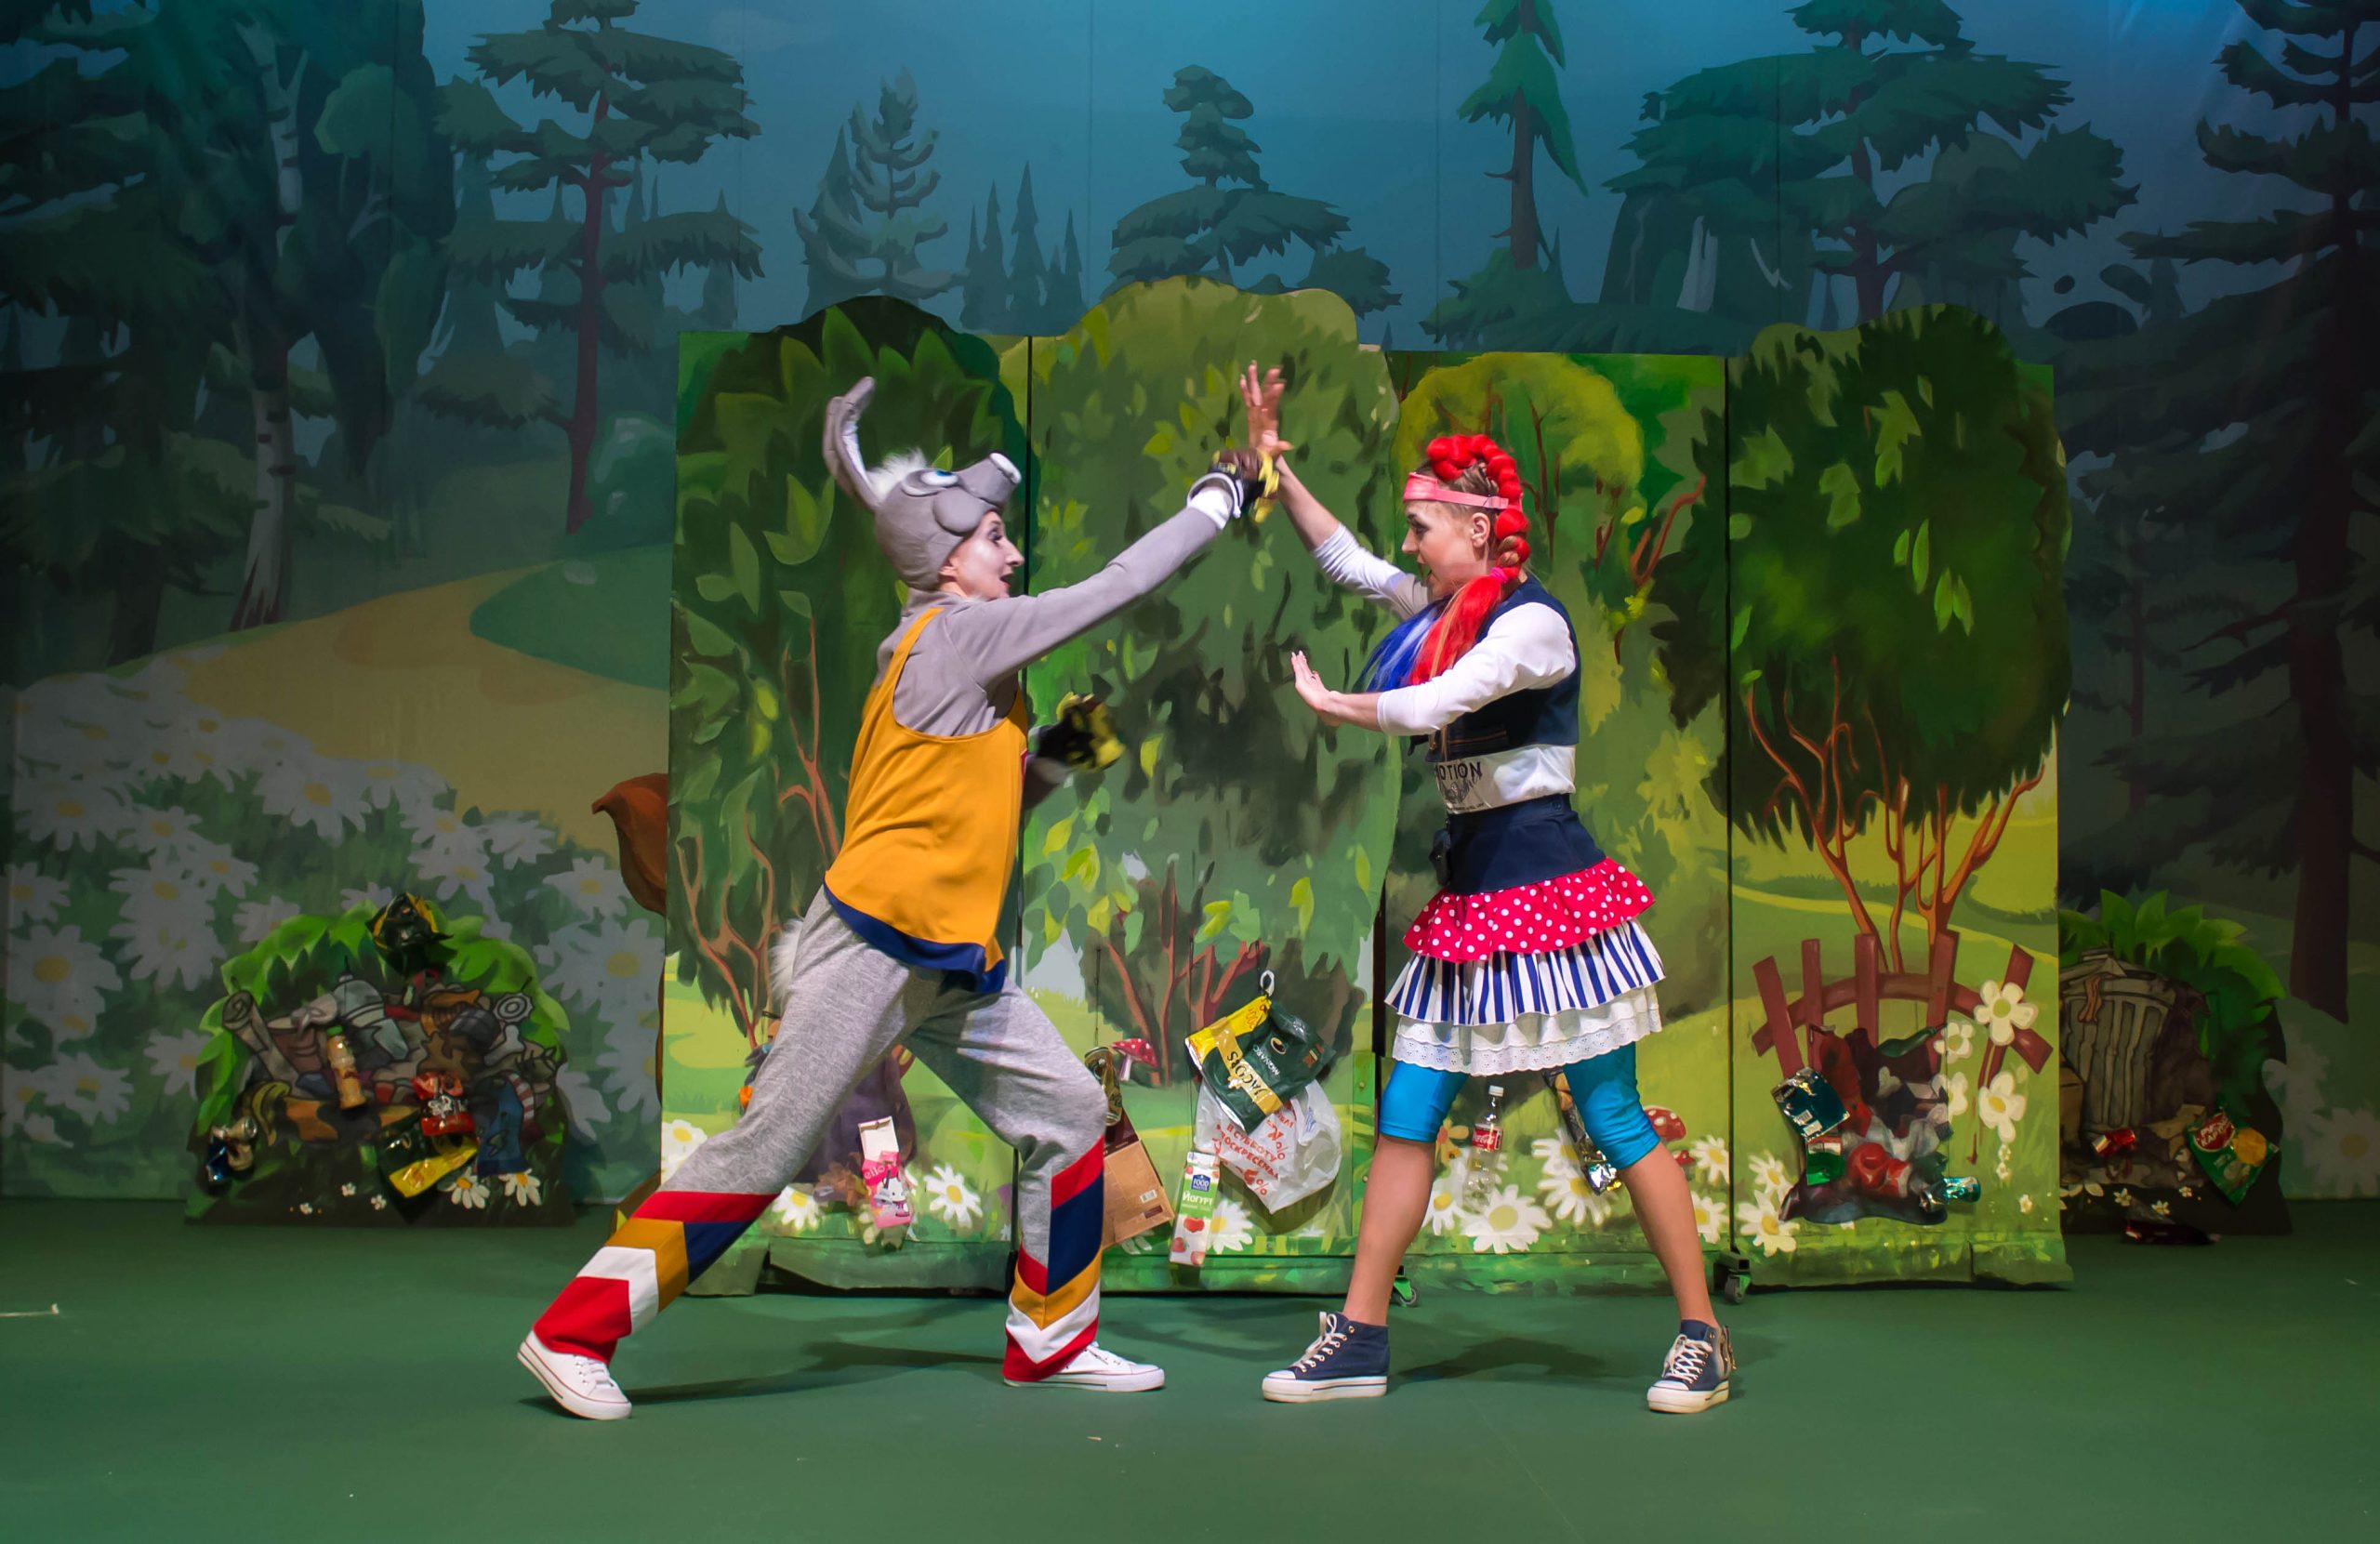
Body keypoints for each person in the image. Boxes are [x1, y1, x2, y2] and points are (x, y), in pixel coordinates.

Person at [517, 378, 1270, 1419]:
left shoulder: (962, 663)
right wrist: (1221, 493)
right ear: (946, 562)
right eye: (996, 538)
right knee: (767, 1147)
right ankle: (571, 1332)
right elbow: (1117, 585)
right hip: (875, 943)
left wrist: (1061, 752)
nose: (1014, 555)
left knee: (1064, 1113)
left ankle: (1052, 1340)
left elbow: (985, 804)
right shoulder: (956, 636)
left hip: (948, 958)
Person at [1244, 363, 1734, 1415]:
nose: (1409, 544)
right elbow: (1347, 560)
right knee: (1408, 1109)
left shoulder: (1530, 625)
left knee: (1612, 1113)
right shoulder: (1445, 607)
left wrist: (1338, 704)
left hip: (1551, 895)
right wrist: (1276, 468)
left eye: (1423, 526)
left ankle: (1703, 1333)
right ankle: (1361, 1334)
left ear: (1477, 528)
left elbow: (1441, 702)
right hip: (1471, 901)